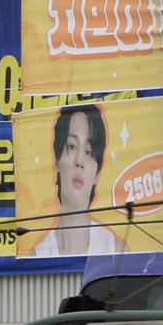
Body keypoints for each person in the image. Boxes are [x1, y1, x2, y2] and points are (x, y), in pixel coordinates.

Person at [35, 104, 128, 257]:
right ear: (57, 161)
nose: (79, 161)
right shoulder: (39, 255)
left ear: (97, 174)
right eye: (72, 146)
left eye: (89, 152)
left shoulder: (116, 250)